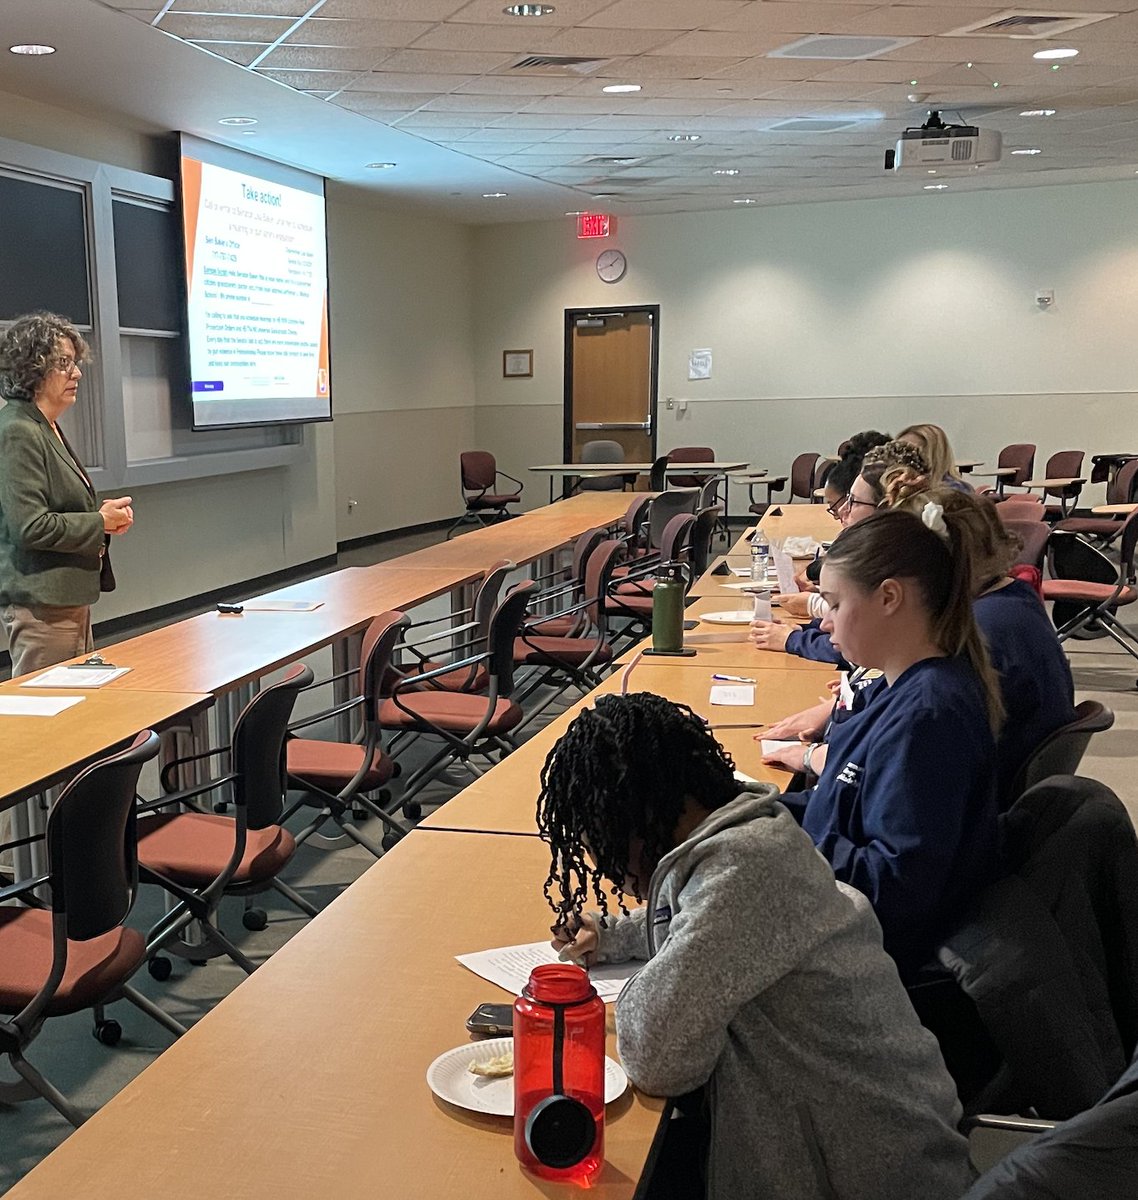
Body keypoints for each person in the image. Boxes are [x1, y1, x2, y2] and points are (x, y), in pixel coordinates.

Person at [537, 692, 975, 1200]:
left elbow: (654, 1055)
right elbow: (700, 916)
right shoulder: (754, 834)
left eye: (601, 842)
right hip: (843, 1146)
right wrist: (612, 933)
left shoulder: (743, 872)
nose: (605, 864)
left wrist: (648, 980)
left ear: (633, 817)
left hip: (854, 1175)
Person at [777, 507, 1002, 979]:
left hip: (867, 958)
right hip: (838, 916)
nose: (824, 624)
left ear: (889, 598)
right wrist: (745, 809)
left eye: (835, 605)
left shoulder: (928, 718)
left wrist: (778, 843)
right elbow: (838, 806)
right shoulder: (898, 689)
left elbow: (895, 890)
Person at [765, 486, 1077, 808]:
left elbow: (898, 801)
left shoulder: (973, 642)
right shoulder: (1004, 602)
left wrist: (815, 755)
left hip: (982, 804)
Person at [0, 312, 134, 678]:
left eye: (74, 363)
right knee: (48, 726)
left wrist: (100, 515)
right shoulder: (18, 431)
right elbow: (30, 526)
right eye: (64, 364)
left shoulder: (45, 426)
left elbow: (57, 508)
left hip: (66, 601)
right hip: (42, 606)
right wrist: (98, 522)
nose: (76, 373)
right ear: (33, 368)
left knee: (76, 712)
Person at [897, 422, 973, 491]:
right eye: (897, 449)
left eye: (910, 450)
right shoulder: (896, 489)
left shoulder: (954, 490)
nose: (902, 455)